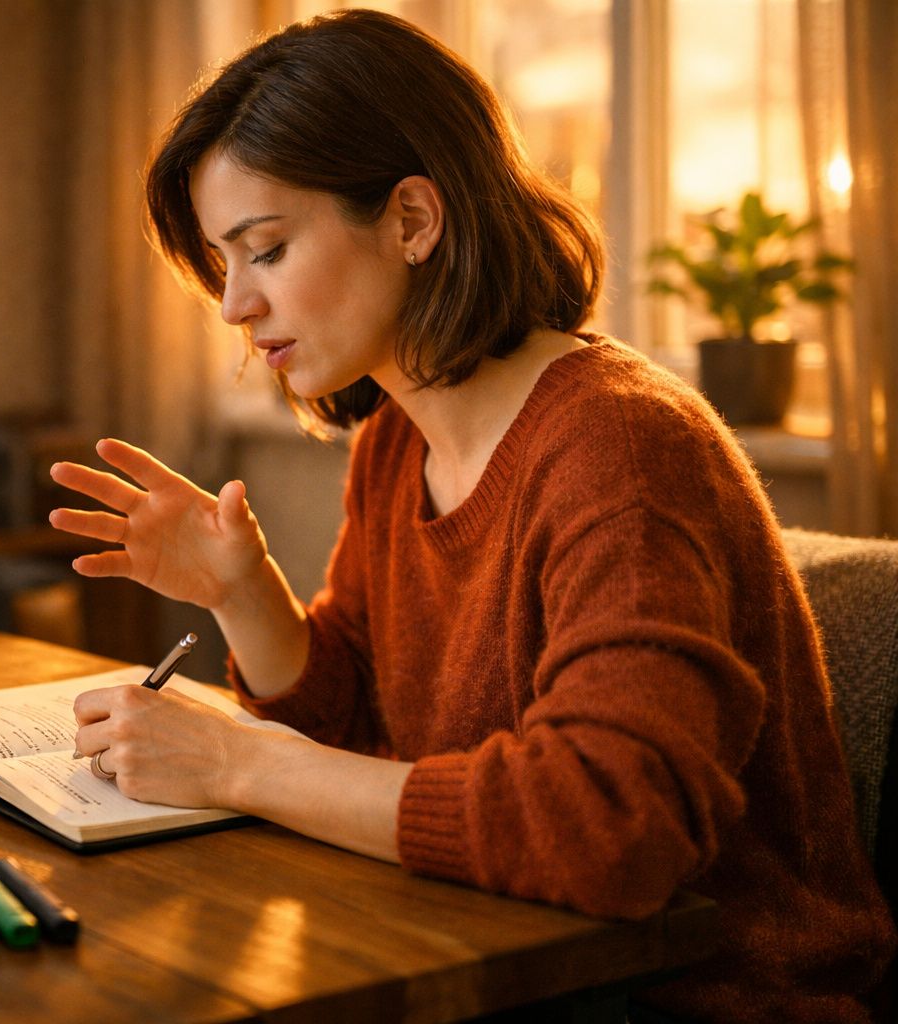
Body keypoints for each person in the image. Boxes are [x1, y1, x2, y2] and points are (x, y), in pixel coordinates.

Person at [46, 10, 894, 1023]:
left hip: (693, 996)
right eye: (221, 265)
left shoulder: (621, 450)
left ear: (412, 219)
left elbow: (610, 829)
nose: (232, 305)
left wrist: (239, 762)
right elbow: (367, 738)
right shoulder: (399, 436)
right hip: (491, 955)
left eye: (263, 250)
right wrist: (245, 595)